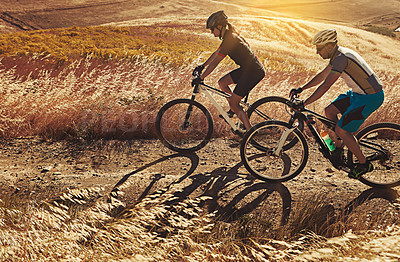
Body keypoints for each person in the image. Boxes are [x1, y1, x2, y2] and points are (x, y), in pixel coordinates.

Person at [291, 29, 384, 179]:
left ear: (329, 46)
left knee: (342, 130)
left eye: (319, 48)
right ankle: (339, 147)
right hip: (358, 93)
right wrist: (302, 88)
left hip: (370, 97)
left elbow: (325, 85)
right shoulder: (337, 55)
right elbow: (322, 75)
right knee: (329, 111)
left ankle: (364, 163)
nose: (317, 52)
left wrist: (305, 102)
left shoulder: (341, 58)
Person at [192, 10, 265, 132]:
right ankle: (233, 109)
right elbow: (216, 53)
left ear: (220, 27)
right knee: (222, 83)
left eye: (212, 29)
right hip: (248, 69)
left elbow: (216, 62)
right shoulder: (228, 37)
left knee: (235, 103)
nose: (211, 32)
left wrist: (202, 77)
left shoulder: (230, 39)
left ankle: (249, 132)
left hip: (253, 71)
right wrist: (202, 66)